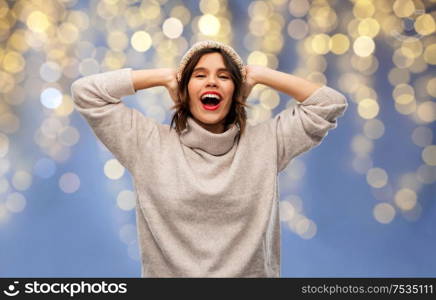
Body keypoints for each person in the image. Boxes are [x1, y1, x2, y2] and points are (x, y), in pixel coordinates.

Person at [71, 40, 348, 278]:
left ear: (236, 92)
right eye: (199, 75)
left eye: (225, 76)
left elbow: (328, 104)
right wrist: (164, 76)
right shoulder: (146, 143)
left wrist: (258, 74)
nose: (212, 81)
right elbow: (86, 92)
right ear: (184, 89)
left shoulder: (267, 143)